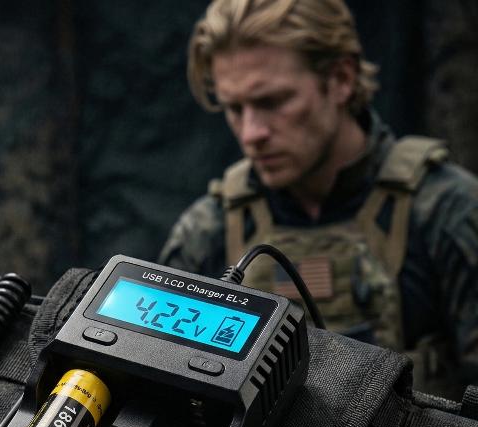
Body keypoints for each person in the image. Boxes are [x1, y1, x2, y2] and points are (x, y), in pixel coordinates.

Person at [159, 0, 478, 398]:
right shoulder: (208, 233)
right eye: (234, 109)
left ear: (341, 79)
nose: (251, 133)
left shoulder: (445, 213)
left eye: (272, 102)